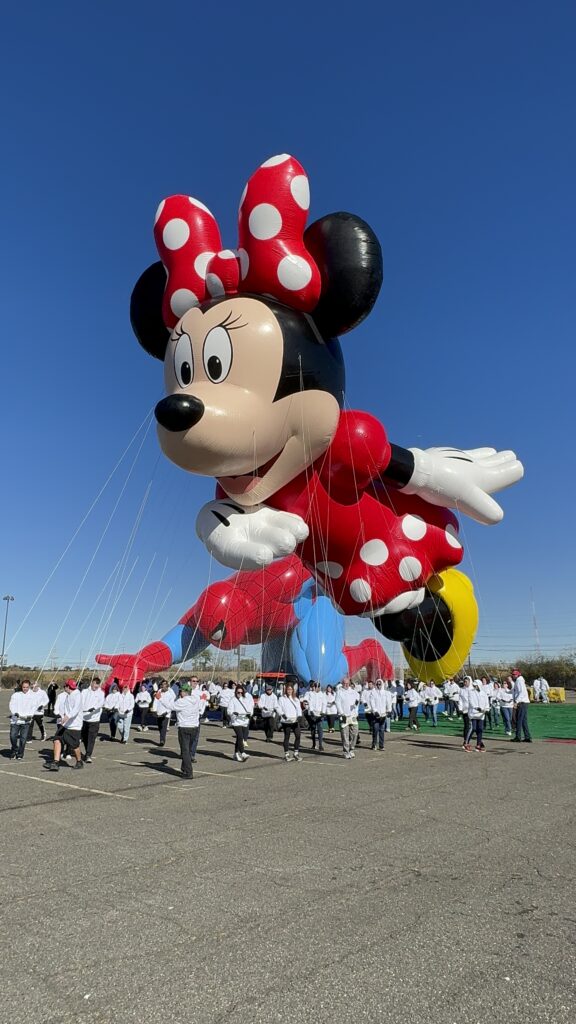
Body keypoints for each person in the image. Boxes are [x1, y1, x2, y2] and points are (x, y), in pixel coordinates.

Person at [47, 679, 84, 771]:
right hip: (65, 724)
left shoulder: (77, 695)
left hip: (74, 725)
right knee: (57, 739)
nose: (65, 688)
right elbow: (65, 708)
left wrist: (68, 716)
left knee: (74, 745)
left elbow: (76, 709)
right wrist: (61, 715)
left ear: (68, 687)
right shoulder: (68, 695)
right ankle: (55, 762)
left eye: (66, 686)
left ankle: (79, 761)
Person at [173, 681, 201, 779]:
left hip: (184, 727)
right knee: (188, 749)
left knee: (185, 750)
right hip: (194, 727)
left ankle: (189, 772)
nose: (180, 693)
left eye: (181, 691)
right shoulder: (196, 700)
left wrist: (160, 699)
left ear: (185, 692)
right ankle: (184, 767)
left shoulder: (181, 701)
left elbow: (171, 706)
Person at [9, 679, 36, 761]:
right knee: (13, 736)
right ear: (21, 687)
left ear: (29, 687)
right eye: (24, 687)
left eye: (27, 687)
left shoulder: (32, 696)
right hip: (15, 721)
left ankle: (20, 754)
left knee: (23, 739)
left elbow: (33, 707)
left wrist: (30, 715)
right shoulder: (16, 695)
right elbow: (11, 705)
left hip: (26, 721)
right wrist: (15, 713)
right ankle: (14, 750)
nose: (25, 689)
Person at [228, 684, 254, 761]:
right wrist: (233, 713)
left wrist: (250, 714)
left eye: (241, 693)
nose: (239, 694)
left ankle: (235, 754)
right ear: (235, 692)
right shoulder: (232, 700)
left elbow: (250, 708)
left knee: (239, 739)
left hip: (244, 720)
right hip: (236, 721)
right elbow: (229, 710)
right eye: (238, 692)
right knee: (240, 737)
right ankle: (242, 752)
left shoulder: (246, 699)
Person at [277, 683, 302, 762]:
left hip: (294, 720)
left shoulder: (296, 699)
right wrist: (282, 714)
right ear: (285, 690)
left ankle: (296, 753)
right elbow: (278, 708)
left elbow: (299, 709)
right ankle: (287, 754)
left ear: (293, 690)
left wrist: (299, 716)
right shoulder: (281, 699)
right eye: (288, 689)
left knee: (298, 735)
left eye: (291, 689)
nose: (289, 691)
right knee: (287, 736)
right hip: (286, 721)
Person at [81, 679, 105, 762]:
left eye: (98, 685)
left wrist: (94, 708)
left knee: (91, 738)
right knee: (85, 738)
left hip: (94, 719)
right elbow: (81, 701)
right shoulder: (84, 692)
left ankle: (88, 755)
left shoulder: (101, 693)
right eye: (95, 684)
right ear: (92, 683)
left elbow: (101, 703)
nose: (96, 686)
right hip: (84, 718)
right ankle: (87, 751)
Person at [335, 676, 359, 759]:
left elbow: (357, 700)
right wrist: (341, 714)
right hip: (344, 716)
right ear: (342, 684)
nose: (346, 685)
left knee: (355, 733)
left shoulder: (353, 692)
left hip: (352, 716)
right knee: (345, 735)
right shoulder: (339, 692)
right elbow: (337, 703)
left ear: (349, 684)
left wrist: (355, 708)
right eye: (344, 683)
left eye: (347, 683)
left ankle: (352, 749)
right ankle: (346, 751)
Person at [467, 679, 489, 751]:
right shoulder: (471, 692)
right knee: (473, 728)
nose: (474, 686)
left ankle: (478, 745)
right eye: (474, 685)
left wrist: (486, 709)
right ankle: (466, 743)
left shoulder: (484, 693)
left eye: (476, 685)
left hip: (481, 714)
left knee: (480, 729)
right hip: (473, 713)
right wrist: (476, 707)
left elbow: (486, 702)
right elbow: (471, 701)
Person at [511, 668, 532, 743]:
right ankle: (527, 736)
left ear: (518, 674)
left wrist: (516, 701)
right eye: (512, 674)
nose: (513, 675)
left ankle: (518, 736)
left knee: (519, 720)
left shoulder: (519, 681)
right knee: (523, 720)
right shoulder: (520, 680)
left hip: (522, 702)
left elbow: (521, 692)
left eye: (514, 674)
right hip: (524, 702)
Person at [368, 679, 389, 750]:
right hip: (375, 715)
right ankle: (374, 744)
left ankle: (381, 745)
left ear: (382, 684)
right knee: (375, 729)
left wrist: (388, 710)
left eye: (380, 684)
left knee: (382, 730)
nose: (378, 685)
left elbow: (388, 702)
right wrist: (375, 711)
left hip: (383, 714)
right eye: (377, 684)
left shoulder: (385, 693)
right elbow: (372, 702)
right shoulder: (373, 692)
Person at [154, 680, 175, 746]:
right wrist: (154, 710)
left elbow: (171, 704)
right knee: (160, 727)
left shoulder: (170, 693)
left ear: (167, 686)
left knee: (164, 727)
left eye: (164, 685)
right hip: (159, 712)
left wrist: (167, 712)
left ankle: (162, 740)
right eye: (162, 685)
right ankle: (162, 737)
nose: (163, 686)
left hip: (166, 713)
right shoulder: (159, 691)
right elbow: (156, 700)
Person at [307, 681, 327, 752]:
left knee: (320, 729)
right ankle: (313, 744)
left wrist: (323, 712)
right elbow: (310, 702)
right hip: (312, 714)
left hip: (319, 714)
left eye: (318, 686)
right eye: (316, 686)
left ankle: (320, 745)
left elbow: (324, 704)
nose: (317, 688)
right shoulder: (311, 694)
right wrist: (311, 711)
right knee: (313, 729)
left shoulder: (323, 694)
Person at [459, 676, 472, 750]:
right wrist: (460, 708)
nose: (465, 683)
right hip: (465, 710)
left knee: (473, 727)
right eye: (464, 681)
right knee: (466, 726)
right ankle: (465, 741)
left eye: (466, 681)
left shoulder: (472, 690)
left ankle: (479, 741)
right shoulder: (462, 690)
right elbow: (460, 700)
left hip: (472, 710)